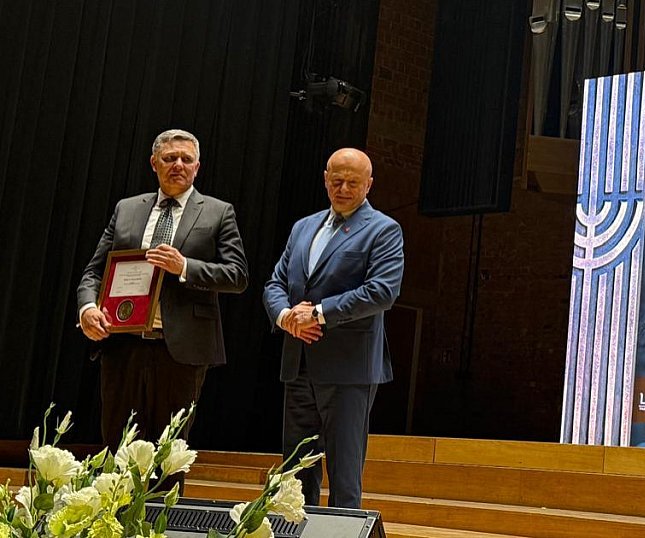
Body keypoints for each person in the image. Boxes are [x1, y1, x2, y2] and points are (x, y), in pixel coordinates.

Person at [77, 128, 248, 452]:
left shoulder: (218, 212)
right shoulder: (127, 209)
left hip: (181, 349)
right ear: (154, 163)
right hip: (122, 344)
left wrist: (184, 266)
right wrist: (87, 308)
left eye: (186, 159)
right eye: (170, 158)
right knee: (116, 447)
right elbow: (94, 272)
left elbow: (237, 275)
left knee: (168, 452)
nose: (178, 165)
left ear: (197, 167)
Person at [263, 148, 404, 508]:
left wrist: (318, 314)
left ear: (369, 184)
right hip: (299, 364)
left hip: (348, 369)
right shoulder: (303, 227)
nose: (343, 189)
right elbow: (275, 283)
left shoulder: (383, 230)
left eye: (353, 183)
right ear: (325, 179)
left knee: (344, 477)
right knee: (294, 476)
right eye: (337, 180)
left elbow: (382, 291)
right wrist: (286, 317)